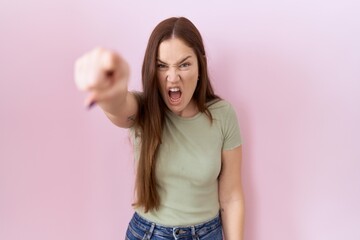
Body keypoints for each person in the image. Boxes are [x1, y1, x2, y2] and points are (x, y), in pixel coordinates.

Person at [75, 17, 244, 240]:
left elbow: (231, 197)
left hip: (207, 234)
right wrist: (110, 89)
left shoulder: (223, 115)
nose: (172, 78)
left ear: (200, 65)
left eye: (184, 64)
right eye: (162, 66)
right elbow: (118, 107)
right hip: (148, 234)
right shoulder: (143, 109)